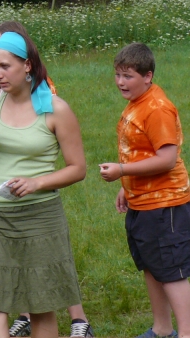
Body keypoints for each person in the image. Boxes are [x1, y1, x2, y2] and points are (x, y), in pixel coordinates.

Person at [0, 31, 86, 338]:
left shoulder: (56, 109)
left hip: (40, 218)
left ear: (27, 65)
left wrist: (36, 183)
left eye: (5, 66)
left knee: (41, 307)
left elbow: (78, 169)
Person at [100, 43, 190, 338]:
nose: (120, 82)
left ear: (148, 76)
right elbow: (141, 152)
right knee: (152, 265)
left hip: (165, 204)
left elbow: (167, 159)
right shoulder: (138, 102)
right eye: (118, 75)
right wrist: (127, 186)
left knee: (171, 271)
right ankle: (162, 329)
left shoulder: (157, 108)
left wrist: (122, 171)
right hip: (143, 201)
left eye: (128, 76)